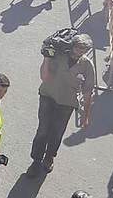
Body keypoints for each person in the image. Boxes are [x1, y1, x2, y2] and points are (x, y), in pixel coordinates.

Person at [30, 34, 95, 174]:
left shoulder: (87, 65)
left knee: (57, 132)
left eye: (83, 50)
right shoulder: (59, 56)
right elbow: (44, 77)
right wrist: (46, 59)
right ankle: (36, 160)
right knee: (42, 131)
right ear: (72, 46)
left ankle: (49, 157)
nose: (80, 52)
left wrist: (85, 115)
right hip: (48, 96)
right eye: (78, 48)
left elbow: (88, 92)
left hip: (67, 103)